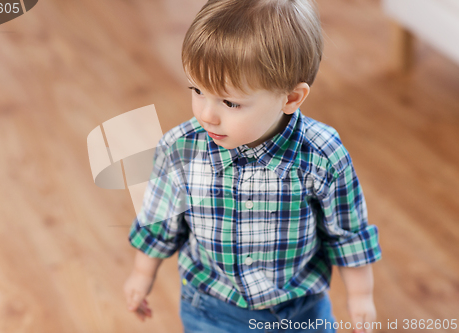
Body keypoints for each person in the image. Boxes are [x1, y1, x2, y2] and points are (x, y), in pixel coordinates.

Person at [123, 0, 382, 332]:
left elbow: (346, 232)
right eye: (198, 91)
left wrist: (362, 295)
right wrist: (142, 275)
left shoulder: (322, 154)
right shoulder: (180, 148)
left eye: (230, 102)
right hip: (212, 311)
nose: (206, 114)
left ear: (291, 98)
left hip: (302, 310)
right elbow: (160, 222)